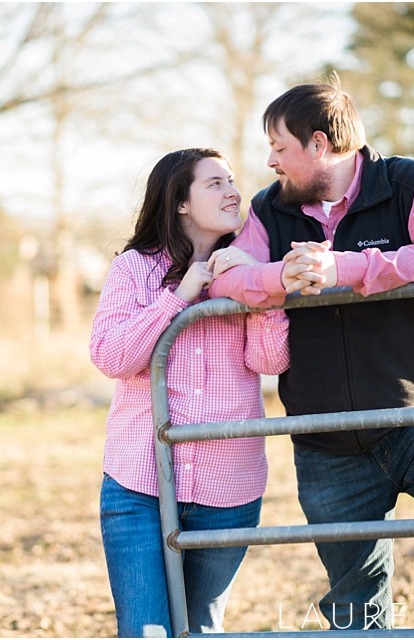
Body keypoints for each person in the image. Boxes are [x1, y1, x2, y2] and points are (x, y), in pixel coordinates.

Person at [207, 79, 414, 630]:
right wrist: (284, 275)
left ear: (319, 144)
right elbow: (225, 280)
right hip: (326, 439)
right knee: (355, 606)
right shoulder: (266, 211)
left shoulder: (412, 182)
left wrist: (343, 270)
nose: (270, 160)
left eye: (279, 147)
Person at [90, 148, 290, 637]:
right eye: (215, 183)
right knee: (147, 631)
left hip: (228, 487)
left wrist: (261, 290)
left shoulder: (246, 269)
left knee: (200, 627)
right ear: (180, 201)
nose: (233, 191)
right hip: (139, 485)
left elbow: (270, 361)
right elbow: (113, 358)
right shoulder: (133, 269)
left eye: (232, 181)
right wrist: (179, 297)